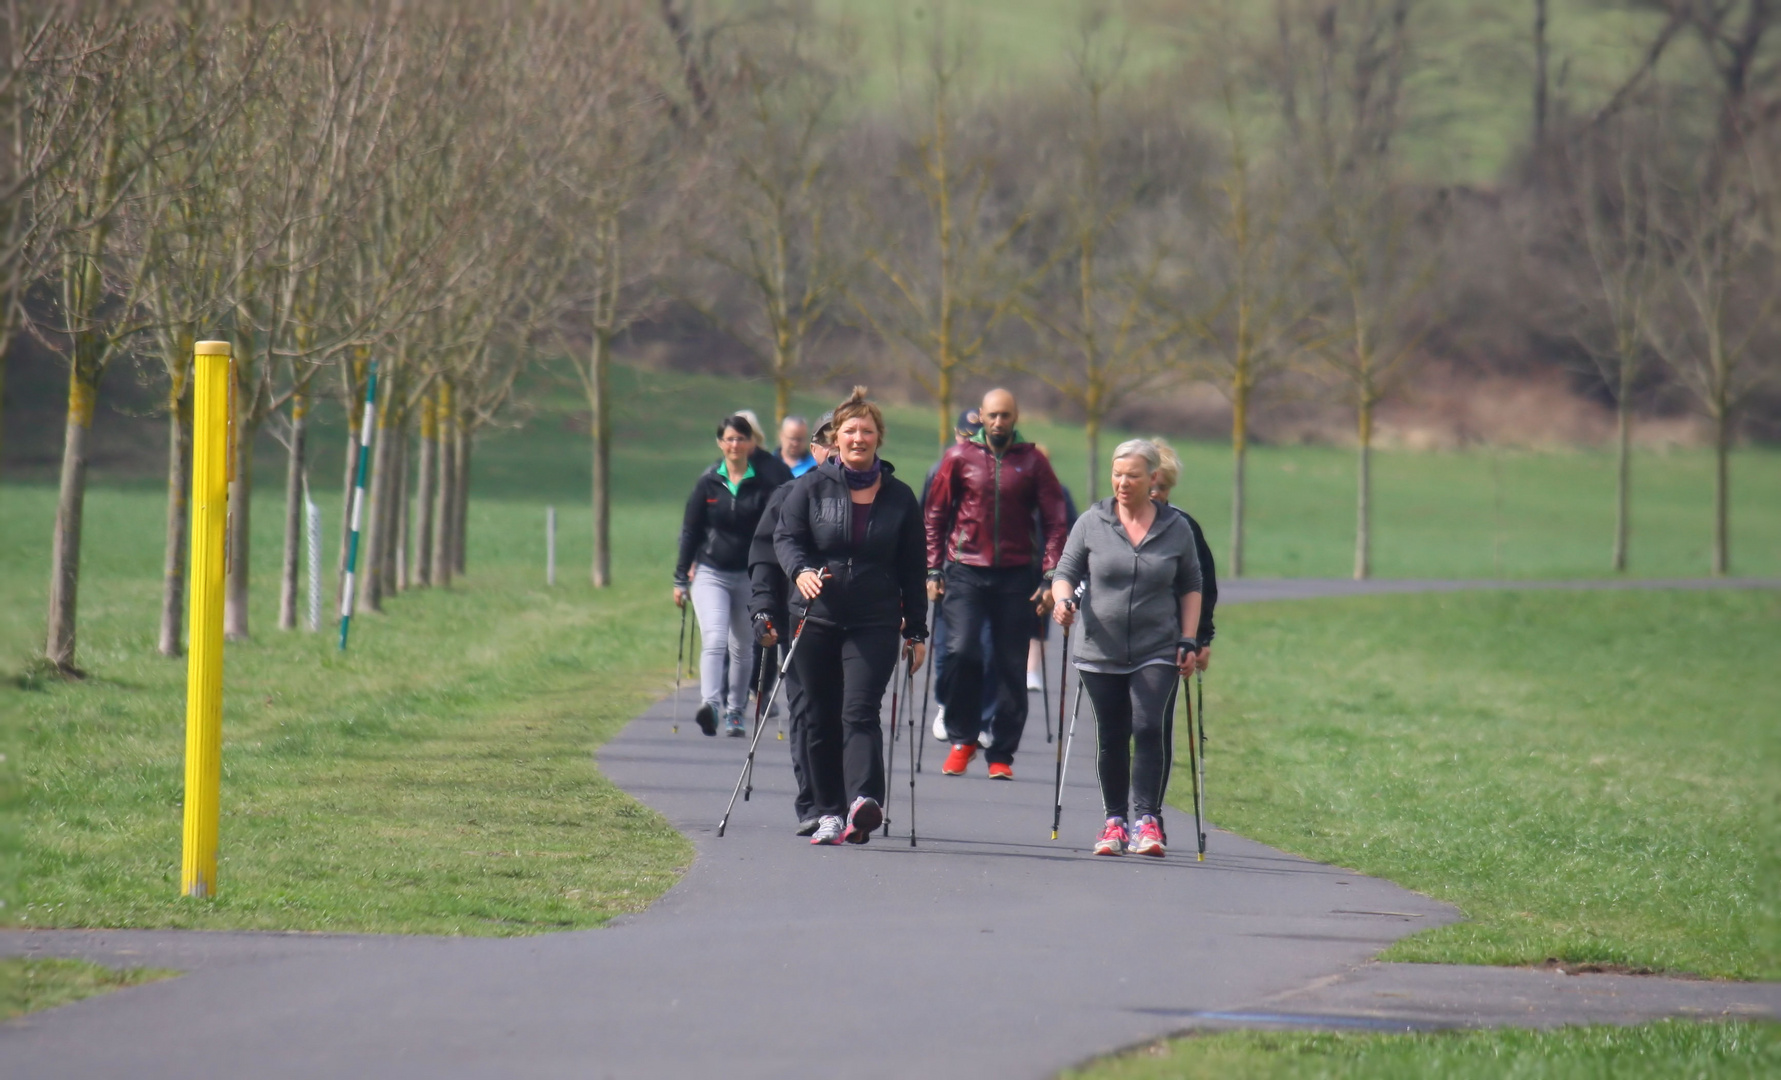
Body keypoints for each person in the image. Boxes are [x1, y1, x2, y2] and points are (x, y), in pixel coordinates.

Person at [775, 387, 928, 845]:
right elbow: (786, 538)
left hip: (874, 620)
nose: (858, 438)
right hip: (815, 617)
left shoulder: (900, 498)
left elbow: (913, 568)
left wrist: (917, 630)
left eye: (866, 431)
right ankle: (829, 813)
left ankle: (863, 802)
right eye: (849, 431)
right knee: (819, 717)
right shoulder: (810, 486)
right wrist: (800, 571)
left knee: (859, 710)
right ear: (835, 438)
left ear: (879, 438)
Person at [1052, 439, 1202, 857]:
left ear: (1152, 478)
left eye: (1132, 476)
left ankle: (1147, 820)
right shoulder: (1092, 522)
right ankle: (1114, 821)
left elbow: (1192, 584)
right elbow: (1065, 571)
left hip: (1157, 646)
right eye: (1117, 474)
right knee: (1112, 735)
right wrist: (1063, 601)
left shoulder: (1176, 528)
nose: (1122, 482)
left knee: (1149, 725)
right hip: (1100, 648)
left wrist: (1190, 638)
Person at [924, 388, 1069, 780]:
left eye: (1006, 415)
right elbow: (935, 514)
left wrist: (1049, 576)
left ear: (1016, 416)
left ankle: (1001, 751)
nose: (999, 423)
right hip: (965, 569)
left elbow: (1057, 520)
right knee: (961, 651)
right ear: (982, 418)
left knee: (1009, 665)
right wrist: (933, 569)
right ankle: (962, 737)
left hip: (1016, 574)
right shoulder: (958, 457)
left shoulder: (1034, 462)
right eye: (992, 416)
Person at [749, 411, 834, 835]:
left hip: (858, 623)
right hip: (800, 621)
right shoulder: (788, 495)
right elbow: (765, 560)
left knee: (852, 712)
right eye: (830, 443)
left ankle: (853, 799)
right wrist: (763, 610)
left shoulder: (882, 497)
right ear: (815, 450)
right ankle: (814, 803)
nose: (839, 450)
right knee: (806, 711)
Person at [676, 415, 783, 737]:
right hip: (711, 573)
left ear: (751, 444)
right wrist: (681, 577)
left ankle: (736, 711)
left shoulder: (763, 485)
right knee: (715, 638)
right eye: (729, 439)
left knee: (743, 646)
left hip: (749, 576)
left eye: (741, 439)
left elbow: (773, 533)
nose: (735, 445)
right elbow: (691, 530)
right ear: (720, 443)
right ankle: (710, 704)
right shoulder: (708, 482)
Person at [919, 408, 996, 743]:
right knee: (950, 643)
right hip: (951, 568)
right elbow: (928, 521)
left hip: (993, 571)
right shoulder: (939, 470)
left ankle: (983, 718)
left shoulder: (997, 471)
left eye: (975, 436)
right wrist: (932, 568)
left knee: (988, 646)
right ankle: (945, 704)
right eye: (965, 435)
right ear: (956, 433)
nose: (970, 442)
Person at [1151, 438, 1217, 671]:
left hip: (1168, 640)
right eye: (1151, 487)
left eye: (1163, 488)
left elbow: (1203, 584)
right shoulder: (1108, 522)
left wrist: (1202, 638)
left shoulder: (1184, 526)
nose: (1155, 494)